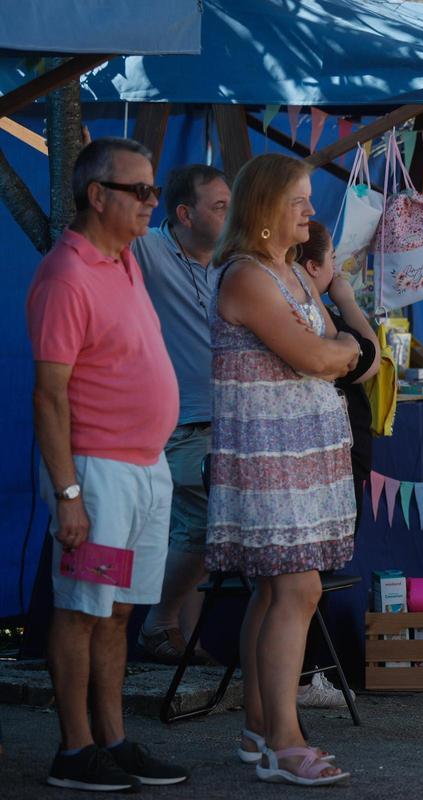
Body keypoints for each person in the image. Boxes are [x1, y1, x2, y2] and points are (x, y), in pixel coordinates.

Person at [27, 137, 189, 791]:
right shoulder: (66, 275)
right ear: (98, 196)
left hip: (146, 469)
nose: (152, 201)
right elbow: (49, 395)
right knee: (82, 610)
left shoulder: (123, 261)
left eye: (155, 189)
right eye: (140, 190)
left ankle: (113, 740)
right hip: (98, 476)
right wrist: (69, 493)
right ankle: (74, 750)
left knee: (119, 611)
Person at [206, 154, 360, 785]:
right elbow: (318, 355)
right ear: (266, 208)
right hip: (268, 456)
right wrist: (339, 350)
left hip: (302, 454)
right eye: (299, 200)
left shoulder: (291, 271)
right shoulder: (247, 275)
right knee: (298, 590)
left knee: (274, 590)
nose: (311, 211)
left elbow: (332, 348)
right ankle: (283, 741)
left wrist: (336, 349)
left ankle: (257, 729)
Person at [133, 164, 230, 664]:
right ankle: (159, 624)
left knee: (200, 533)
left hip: (230, 422)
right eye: (220, 206)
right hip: (183, 424)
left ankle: (186, 643)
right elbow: (89, 233)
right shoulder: (147, 250)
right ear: (185, 215)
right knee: (205, 527)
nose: (231, 214)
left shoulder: (234, 260)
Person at [294, 219, 380, 709]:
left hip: (336, 454)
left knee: (314, 574)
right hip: (332, 457)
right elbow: (369, 360)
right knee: (315, 574)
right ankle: (304, 677)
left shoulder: (304, 309)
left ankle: (304, 675)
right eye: (332, 262)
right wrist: (346, 299)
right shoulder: (313, 312)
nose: (337, 270)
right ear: (313, 267)